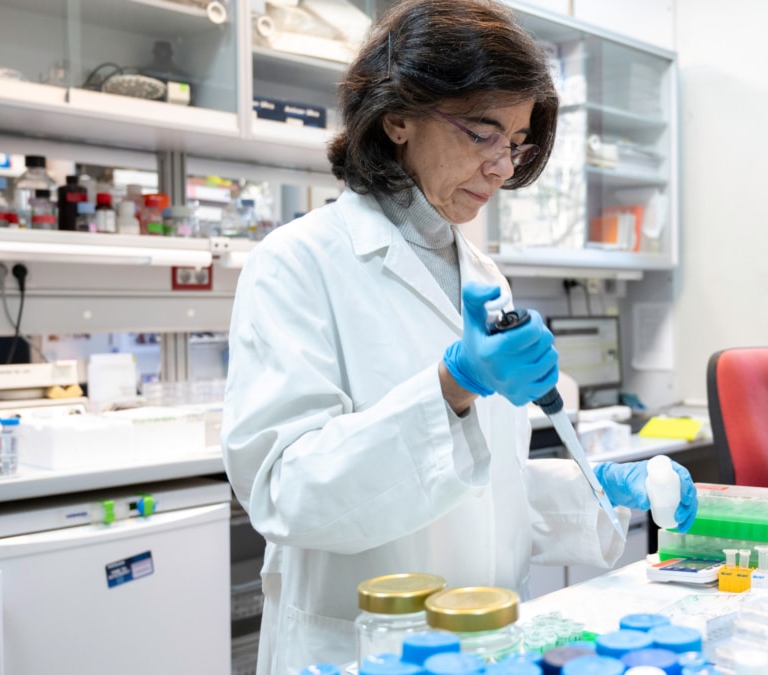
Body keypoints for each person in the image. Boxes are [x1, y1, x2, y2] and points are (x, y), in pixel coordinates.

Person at [220, 1, 698, 672]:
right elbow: (286, 492)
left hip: (487, 641)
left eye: (518, 141)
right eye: (483, 132)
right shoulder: (297, 262)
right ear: (398, 117)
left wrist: (596, 487)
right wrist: (451, 386)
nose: (503, 166)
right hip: (364, 646)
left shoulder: (482, 276)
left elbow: (480, 487)